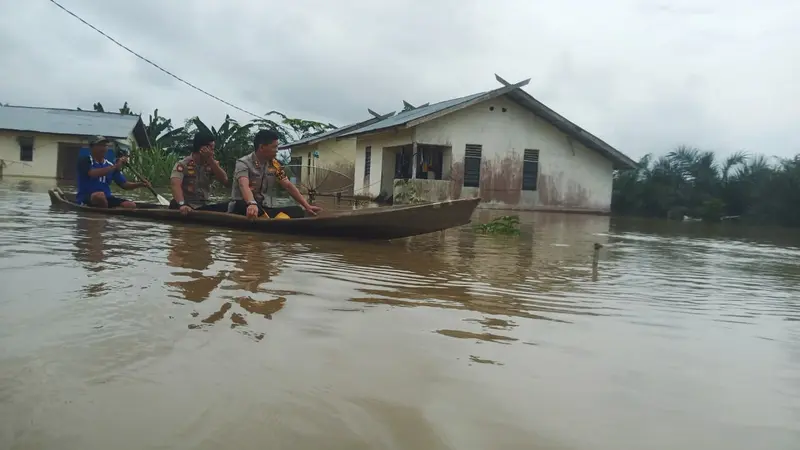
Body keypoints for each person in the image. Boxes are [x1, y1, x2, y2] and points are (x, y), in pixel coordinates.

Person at [230, 129, 322, 219]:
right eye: (274, 147)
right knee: (249, 207)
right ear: (262, 147)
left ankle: (266, 217)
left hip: (261, 207)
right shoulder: (243, 163)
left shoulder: (274, 165)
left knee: (297, 210)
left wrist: (307, 206)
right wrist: (252, 203)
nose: (277, 150)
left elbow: (288, 185)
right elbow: (243, 185)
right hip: (243, 206)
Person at [75, 136, 152, 208]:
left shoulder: (109, 164)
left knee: (131, 205)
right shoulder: (85, 160)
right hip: (87, 197)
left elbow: (124, 184)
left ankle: (108, 213)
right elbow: (92, 173)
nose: (103, 148)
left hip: (107, 198)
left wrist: (140, 184)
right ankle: (105, 215)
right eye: (100, 145)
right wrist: (115, 166)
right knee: (99, 196)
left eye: (105, 146)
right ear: (92, 147)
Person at [169, 131, 230, 215]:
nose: (213, 152)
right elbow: (175, 185)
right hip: (185, 205)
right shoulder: (183, 164)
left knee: (230, 205)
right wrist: (182, 205)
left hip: (202, 207)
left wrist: (211, 160)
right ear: (203, 149)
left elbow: (225, 181)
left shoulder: (212, 164)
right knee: (175, 204)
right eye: (212, 149)